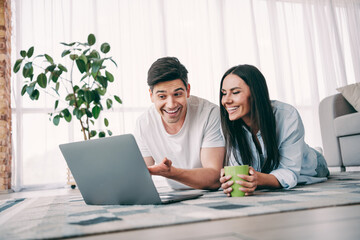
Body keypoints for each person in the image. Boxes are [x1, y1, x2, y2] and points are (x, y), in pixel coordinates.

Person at [219, 64, 329, 196]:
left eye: (235, 92)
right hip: (268, 171)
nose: (226, 100)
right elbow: (238, 166)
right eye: (224, 93)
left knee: (318, 167)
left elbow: (289, 172)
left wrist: (258, 179)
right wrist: (231, 180)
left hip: (310, 166)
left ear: (255, 93)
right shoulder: (230, 125)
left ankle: (312, 151)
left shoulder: (286, 115)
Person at [134, 57, 225, 190]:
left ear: (187, 90)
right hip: (177, 197)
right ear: (151, 96)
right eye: (162, 96)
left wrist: (173, 173)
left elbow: (214, 177)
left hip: (210, 195)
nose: (171, 105)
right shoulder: (144, 123)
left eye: (177, 94)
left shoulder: (209, 114)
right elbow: (140, 177)